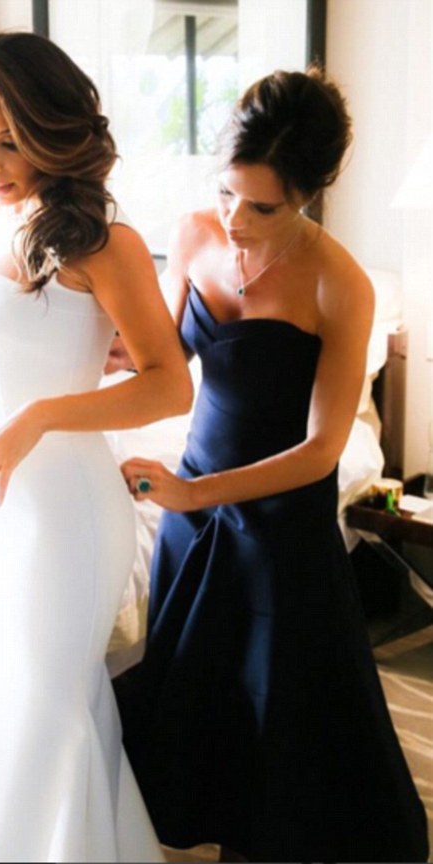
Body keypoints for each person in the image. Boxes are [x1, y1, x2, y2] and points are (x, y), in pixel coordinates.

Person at [113, 68, 430, 863]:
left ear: (310, 195)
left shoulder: (340, 284)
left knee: (280, 734)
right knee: (197, 708)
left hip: (281, 529)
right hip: (194, 513)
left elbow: (323, 451)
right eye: (226, 192)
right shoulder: (194, 235)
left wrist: (195, 493)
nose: (235, 218)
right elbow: (165, 359)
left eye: (263, 207)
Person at [0, 31, 192, 863]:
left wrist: (36, 420)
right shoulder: (1, 214)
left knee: (48, 708)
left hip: (66, 513)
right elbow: (11, 359)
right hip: (0, 507)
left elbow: (169, 386)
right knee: (38, 706)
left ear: (52, 130)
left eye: (10, 141)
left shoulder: (102, 239)